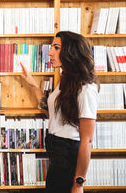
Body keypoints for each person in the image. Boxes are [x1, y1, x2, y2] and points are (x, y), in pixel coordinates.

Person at [20, 31, 98, 193]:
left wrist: (78, 183)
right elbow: (52, 113)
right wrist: (33, 83)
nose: (50, 52)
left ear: (71, 51)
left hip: (69, 155)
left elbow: (87, 140)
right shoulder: (67, 81)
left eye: (56, 47)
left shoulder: (86, 89)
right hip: (57, 154)